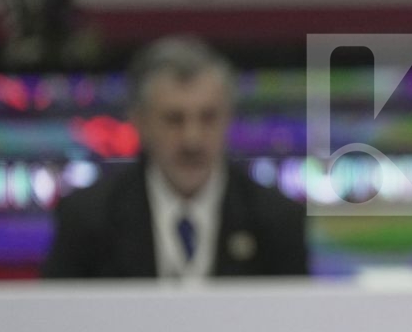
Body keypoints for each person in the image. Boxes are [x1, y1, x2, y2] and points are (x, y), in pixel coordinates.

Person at [41, 35, 308, 280]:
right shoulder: (87, 219)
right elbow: (56, 324)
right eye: (173, 119)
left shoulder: (277, 220)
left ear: (228, 118)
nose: (192, 139)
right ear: (140, 122)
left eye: (208, 117)